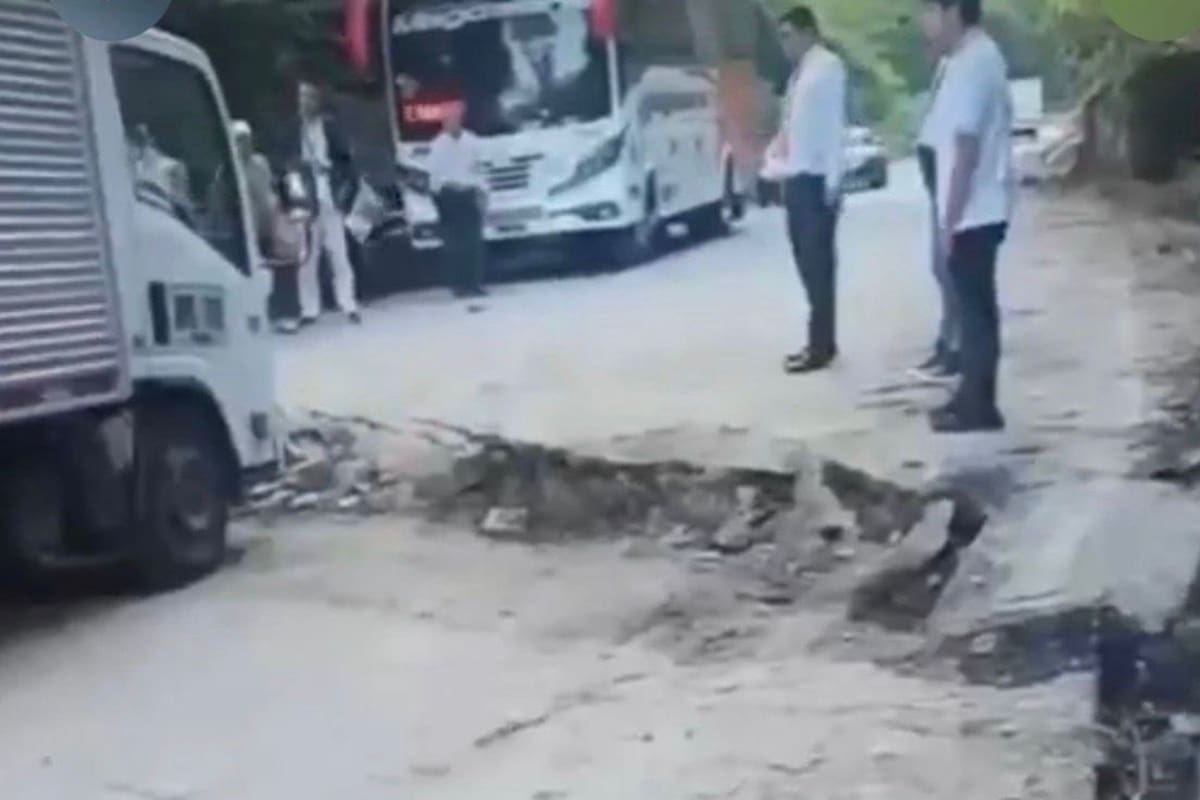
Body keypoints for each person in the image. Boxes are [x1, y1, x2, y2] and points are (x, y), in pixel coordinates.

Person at [920, 0, 1015, 432]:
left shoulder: (974, 63)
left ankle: (979, 408)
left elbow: (966, 146)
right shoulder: (970, 58)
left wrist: (949, 219)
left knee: (975, 314)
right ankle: (970, 397)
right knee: (974, 309)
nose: (925, 24)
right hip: (976, 208)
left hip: (973, 210)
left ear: (953, 11)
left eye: (929, 12)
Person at [772, 6, 846, 374]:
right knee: (804, 260)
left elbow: (833, 127)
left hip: (816, 179)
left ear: (808, 32)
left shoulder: (827, 68)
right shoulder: (800, 73)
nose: (784, 44)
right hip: (795, 176)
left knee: (818, 265)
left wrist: (834, 183)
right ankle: (819, 340)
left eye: (788, 36)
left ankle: (821, 345)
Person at [286, 81, 362, 330]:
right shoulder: (293, 129)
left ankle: (348, 303)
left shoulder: (330, 127)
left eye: (309, 97)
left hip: (330, 196)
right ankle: (309, 308)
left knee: (339, 255)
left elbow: (346, 162)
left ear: (317, 101)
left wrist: (342, 190)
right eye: (301, 97)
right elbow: (287, 163)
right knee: (307, 259)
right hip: (305, 199)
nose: (304, 102)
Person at [909, 55, 962, 383]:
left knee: (951, 268)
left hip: (949, 182)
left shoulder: (966, 66)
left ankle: (957, 346)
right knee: (941, 267)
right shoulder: (947, 64)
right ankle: (947, 340)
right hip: (937, 179)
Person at [428, 100, 488, 299]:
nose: (450, 123)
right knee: (454, 244)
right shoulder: (437, 145)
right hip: (449, 197)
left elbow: (480, 170)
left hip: (469, 195)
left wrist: (482, 193)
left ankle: (474, 284)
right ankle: (458, 285)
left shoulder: (472, 142)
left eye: (453, 119)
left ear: (459, 120)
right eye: (446, 120)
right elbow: (434, 176)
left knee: (473, 242)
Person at [230, 120, 278, 257]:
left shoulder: (261, 162)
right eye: (239, 140)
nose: (244, 144)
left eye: (246, 139)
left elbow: (269, 189)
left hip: (269, 227)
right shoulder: (231, 169)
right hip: (247, 232)